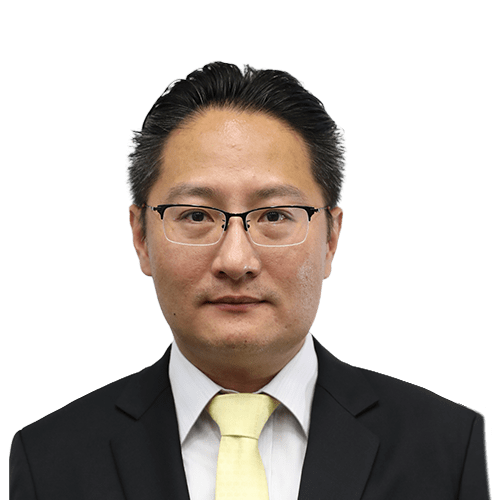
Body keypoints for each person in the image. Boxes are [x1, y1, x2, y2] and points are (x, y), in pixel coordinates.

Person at [10, 61, 491, 500]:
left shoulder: (444, 446)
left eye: (275, 215)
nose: (235, 260)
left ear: (331, 237)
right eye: (196, 215)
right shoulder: (50, 460)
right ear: (140, 236)